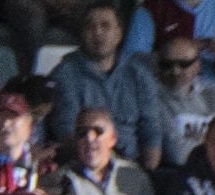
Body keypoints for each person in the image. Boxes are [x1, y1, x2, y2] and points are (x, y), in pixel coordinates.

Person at [46, 1, 164, 166]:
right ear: (81, 33)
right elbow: (67, 132)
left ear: (119, 34)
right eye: (90, 27)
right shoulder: (65, 74)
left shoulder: (139, 74)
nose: (98, 33)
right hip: (86, 163)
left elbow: (151, 131)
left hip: (132, 167)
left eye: (105, 26)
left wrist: (147, 176)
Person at [148, 34, 215, 170]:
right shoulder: (152, 98)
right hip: (180, 175)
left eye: (184, 64)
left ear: (197, 65)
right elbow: (178, 154)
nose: (175, 70)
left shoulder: (214, 94)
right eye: (167, 65)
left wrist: (196, 143)